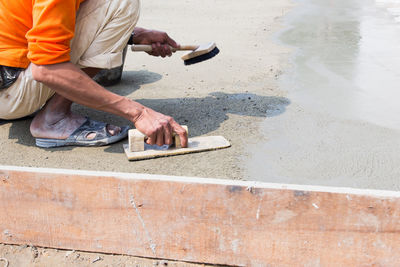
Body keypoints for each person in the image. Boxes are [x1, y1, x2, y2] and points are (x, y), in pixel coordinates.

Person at [0, 0, 188, 148]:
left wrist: (129, 35)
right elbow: (45, 69)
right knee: (122, 3)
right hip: (10, 93)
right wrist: (139, 113)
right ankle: (53, 120)